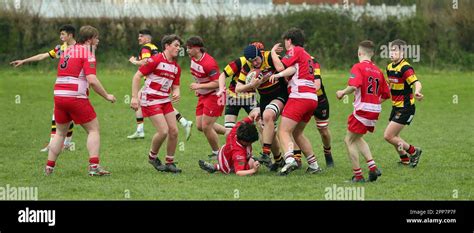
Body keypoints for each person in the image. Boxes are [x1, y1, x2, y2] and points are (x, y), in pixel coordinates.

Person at [44, 25, 116, 176]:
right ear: (89, 40)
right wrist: (107, 96)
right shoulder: (87, 53)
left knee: (60, 133)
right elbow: (92, 80)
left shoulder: (68, 50)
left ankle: (49, 168)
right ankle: (94, 167)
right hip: (75, 96)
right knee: (93, 129)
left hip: (59, 96)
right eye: (96, 37)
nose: (98, 40)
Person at [10, 24, 77, 152]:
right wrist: (24, 61)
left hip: (75, 87)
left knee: (69, 115)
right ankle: (63, 143)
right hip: (62, 86)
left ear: (70, 35)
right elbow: (42, 56)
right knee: (62, 114)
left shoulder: (80, 49)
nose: (60, 36)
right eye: (60, 34)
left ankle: (63, 143)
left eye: (63, 34)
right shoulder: (61, 48)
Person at [335, 40, 390, 182]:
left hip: (362, 110)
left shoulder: (358, 67)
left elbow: (354, 86)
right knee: (357, 138)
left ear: (359, 53)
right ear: (371, 54)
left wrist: (342, 92)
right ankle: (373, 168)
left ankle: (358, 176)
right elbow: (386, 94)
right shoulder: (378, 70)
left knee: (349, 140)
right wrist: (374, 103)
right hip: (375, 111)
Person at [269, 28, 321, 175]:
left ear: (289, 41)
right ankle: (314, 165)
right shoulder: (306, 56)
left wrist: (273, 53)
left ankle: (289, 160)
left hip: (300, 96)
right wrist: (280, 75)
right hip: (312, 98)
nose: (285, 44)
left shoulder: (295, 50)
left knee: (283, 131)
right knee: (297, 133)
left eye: (285, 40)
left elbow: (280, 65)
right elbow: (292, 69)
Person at [130, 34, 183, 173]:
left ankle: (169, 162)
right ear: (167, 46)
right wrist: (134, 97)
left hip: (165, 100)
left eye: (179, 46)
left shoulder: (176, 67)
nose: (178, 48)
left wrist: (177, 92)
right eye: (176, 45)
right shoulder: (155, 59)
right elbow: (137, 76)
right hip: (151, 99)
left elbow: (176, 86)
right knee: (163, 131)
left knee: (174, 131)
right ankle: (152, 157)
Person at [127, 29, 193, 140]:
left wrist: (134, 61)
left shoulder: (145, 48)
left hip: (152, 83)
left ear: (147, 38)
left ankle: (140, 130)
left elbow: (146, 61)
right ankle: (183, 122)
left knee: (139, 100)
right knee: (160, 101)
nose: (139, 38)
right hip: (158, 81)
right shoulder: (154, 47)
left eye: (141, 36)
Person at [235, 44, 288, 171]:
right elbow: (238, 88)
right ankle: (279, 160)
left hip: (280, 94)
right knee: (269, 131)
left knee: (268, 116)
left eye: (256, 59)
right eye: (251, 60)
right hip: (265, 98)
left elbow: (281, 68)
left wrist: (273, 53)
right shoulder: (247, 66)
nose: (254, 62)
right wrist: (252, 85)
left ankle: (265, 154)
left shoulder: (269, 56)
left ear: (260, 54)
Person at [383, 39, 423, 167]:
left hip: (406, 107)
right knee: (395, 136)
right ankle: (404, 159)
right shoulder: (389, 67)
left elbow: (416, 82)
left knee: (388, 136)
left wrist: (417, 92)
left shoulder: (405, 68)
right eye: (390, 50)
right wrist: (378, 101)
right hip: (396, 107)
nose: (391, 53)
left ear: (402, 52)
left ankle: (414, 151)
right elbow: (390, 88)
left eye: (395, 51)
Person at [186, 36, 226, 159]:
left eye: (189, 48)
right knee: (200, 126)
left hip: (215, 95)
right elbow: (196, 74)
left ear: (197, 48)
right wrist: (200, 88)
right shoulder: (192, 58)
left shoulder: (209, 63)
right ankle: (230, 132)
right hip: (204, 95)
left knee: (206, 126)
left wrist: (199, 86)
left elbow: (217, 83)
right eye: (186, 47)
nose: (187, 50)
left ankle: (218, 153)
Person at [217, 42, 263, 137]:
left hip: (249, 97)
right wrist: (221, 89)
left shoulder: (263, 63)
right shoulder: (240, 62)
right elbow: (223, 75)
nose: (255, 62)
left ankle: (265, 151)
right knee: (229, 133)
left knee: (261, 124)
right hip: (234, 97)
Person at [198, 109, 261, 176]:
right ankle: (222, 167)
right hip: (228, 162)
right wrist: (253, 170)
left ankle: (217, 167)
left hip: (225, 154)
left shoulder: (237, 129)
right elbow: (239, 172)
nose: (251, 143)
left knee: (251, 158)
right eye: (250, 142)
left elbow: (251, 116)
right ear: (244, 141)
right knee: (251, 162)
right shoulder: (238, 152)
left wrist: (256, 114)